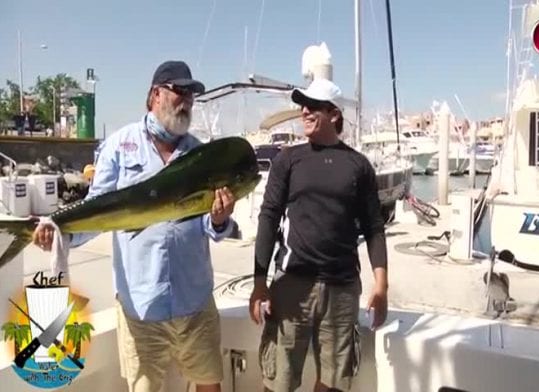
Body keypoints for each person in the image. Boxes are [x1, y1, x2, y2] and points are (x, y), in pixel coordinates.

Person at [32, 60, 236, 392]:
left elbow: (209, 226)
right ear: (155, 94)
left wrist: (219, 219)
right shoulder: (120, 145)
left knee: (209, 386)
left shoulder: (200, 154)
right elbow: (98, 211)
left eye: (191, 94)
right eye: (179, 91)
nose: (186, 100)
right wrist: (60, 235)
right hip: (141, 308)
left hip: (194, 302)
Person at [249, 78, 389, 392]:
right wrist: (260, 282)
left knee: (334, 383)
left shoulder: (359, 165)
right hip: (291, 287)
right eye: (302, 105)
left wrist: (381, 286)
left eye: (313, 106)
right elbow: (268, 218)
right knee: (278, 381)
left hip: (342, 290)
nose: (304, 111)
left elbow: (373, 227)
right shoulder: (288, 160)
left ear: (334, 114)